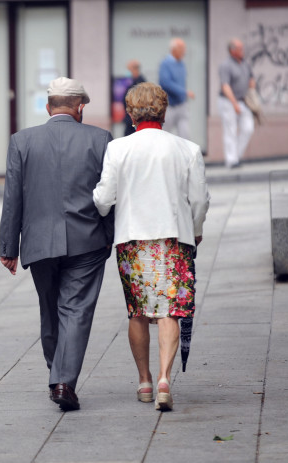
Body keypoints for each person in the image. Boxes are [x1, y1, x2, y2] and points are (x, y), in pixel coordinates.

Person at [0, 77, 114, 412]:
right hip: (88, 240)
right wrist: (111, 236)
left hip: (39, 242)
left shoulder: (22, 141)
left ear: (49, 107)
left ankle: (58, 374)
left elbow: (12, 198)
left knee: (50, 308)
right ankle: (63, 380)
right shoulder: (100, 139)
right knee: (75, 310)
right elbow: (110, 194)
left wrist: (9, 247)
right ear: (80, 107)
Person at [93, 82, 209, 412]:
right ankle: (164, 380)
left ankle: (144, 381)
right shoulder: (187, 148)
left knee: (139, 311)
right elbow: (199, 200)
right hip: (174, 239)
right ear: (165, 110)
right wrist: (196, 230)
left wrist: (99, 206)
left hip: (132, 240)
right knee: (170, 309)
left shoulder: (118, 149)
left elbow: (103, 199)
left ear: (130, 113)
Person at [218, 38, 255, 168]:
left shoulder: (245, 64)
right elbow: (225, 86)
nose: (242, 51)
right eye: (239, 49)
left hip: (243, 100)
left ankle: (237, 155)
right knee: (230, 130)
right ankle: (231, 160)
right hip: (228, 101)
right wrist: (234, 104)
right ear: (232, 51)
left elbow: (251, 79)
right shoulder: (226, 65)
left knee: (248, 128)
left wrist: (252, 96)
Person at [159, 37, 195, 140]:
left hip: (182, 105)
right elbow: (165, 83)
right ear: (174, 49)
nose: (184, 51)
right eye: (182, 48)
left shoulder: (182, 64)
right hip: (169, 106)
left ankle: (185, 156)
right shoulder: (165, 63)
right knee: (164, 135)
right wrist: (184, 92)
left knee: (185, 135)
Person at [123, 60, 147, 136]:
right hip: (130, 119)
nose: (128, 72)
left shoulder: (141, 83)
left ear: (135, 69)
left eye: (129, 70)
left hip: (135, 120)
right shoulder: (132, 82)